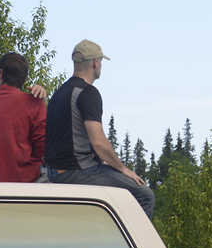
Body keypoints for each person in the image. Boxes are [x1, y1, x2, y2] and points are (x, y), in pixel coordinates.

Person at [45, 39, 154, 218]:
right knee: (144, 194)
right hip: (77, 173)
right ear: (95, 62)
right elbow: (99, 142)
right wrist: (122, 169)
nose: (101, 66)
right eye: (101, 62)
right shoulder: (88, 93)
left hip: (54, 171)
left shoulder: (60, 92)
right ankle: (133, 245)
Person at [0, 52, 48, 182]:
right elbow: (43, 147)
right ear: (24, 77)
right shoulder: (34, 103)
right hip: (29, 180)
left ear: (0, 73)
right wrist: (40, 100)